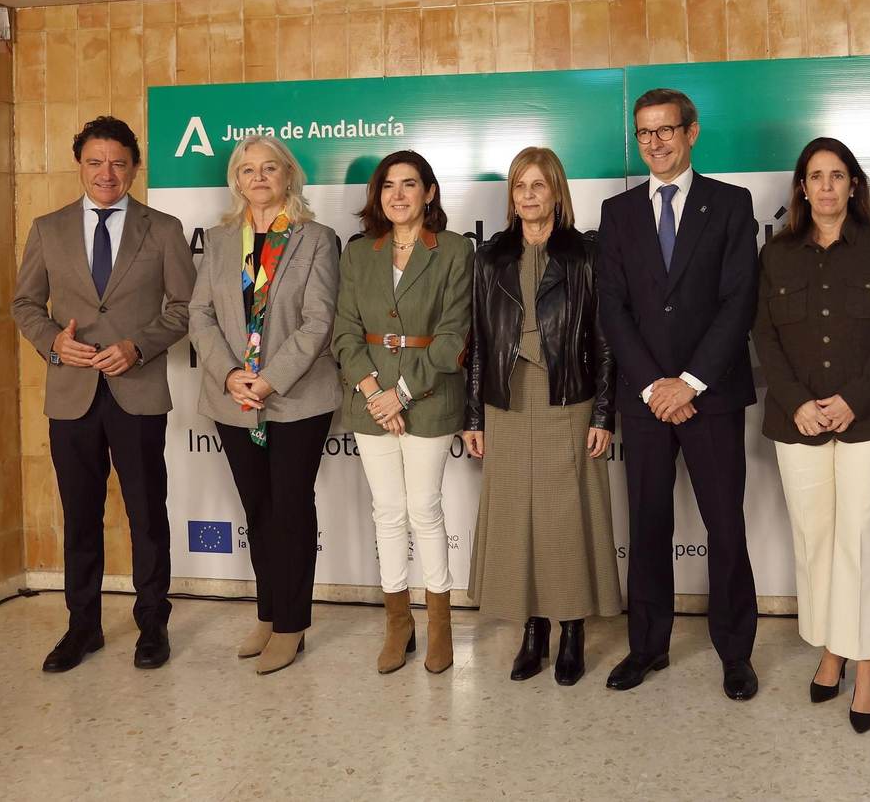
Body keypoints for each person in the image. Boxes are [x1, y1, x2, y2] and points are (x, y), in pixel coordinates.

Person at [12, 115, 197, 673]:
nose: (107, 173)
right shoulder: (48, 228)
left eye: (118, 162)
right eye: (96, 162)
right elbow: (25, 306)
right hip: (71, 395)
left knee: (146, 514)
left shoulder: (162, 228)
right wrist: (53, 345)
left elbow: (185, 309)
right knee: (81, 515)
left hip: (136, 390)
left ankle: (152, 626)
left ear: (134, 167)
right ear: (80, 165)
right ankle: (83, 628)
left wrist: (139, 347)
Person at [597, 88, 761, 700]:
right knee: (647, 524)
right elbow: (613, 308)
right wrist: (652, 385)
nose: (656, 142)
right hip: (645, 401)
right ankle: (648, 646)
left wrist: (688, 381)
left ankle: (735, 653)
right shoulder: (618, 213)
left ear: (691, 133)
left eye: (666, 130)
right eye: (644, 133)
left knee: (725, 526)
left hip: (709, 395)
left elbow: (739, 299)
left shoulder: (730, 204)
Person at [751, 138, 870, 734]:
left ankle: (866, 664)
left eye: (837, 176)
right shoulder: (778, 253)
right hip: (798, 422)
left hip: (869, 418)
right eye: (815, 176)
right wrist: (798, 403)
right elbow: (764, 336)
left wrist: (851, 400)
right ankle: (833, 647)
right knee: (816, 539)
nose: (825, 187)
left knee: (862, 540)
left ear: (854, 185)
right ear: (801, 187)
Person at [462, 147, 622, 687]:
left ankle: (572, 631)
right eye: (519, 186)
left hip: (568, 399)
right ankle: (533, 632)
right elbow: (480, 344)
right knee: (517, 518)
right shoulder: (489, 259)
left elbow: (606, 341)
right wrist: (474, 416)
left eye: (538, 185)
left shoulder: (585, 256)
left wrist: (603, 411)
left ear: (556, 190)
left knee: (567, 518)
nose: (528, 195)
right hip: (506, 401)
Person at [188, 135, 341, 675]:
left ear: (288, 176)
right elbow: (199, 314)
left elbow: (320, 321)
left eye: (269, 167)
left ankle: (293, 624)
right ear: (236, 180)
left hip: (296, 398)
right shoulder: (221, 239)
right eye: (247, 169)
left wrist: (269, 380)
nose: (258, 177)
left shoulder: (316, 239)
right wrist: (231, 374)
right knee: (258, 508)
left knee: (291, 508)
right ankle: (268, 612)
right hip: (233, 399)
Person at [333, 150, 472, 676]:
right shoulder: (358, 254)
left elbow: (455, 336)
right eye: (388, 185)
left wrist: (402, 393)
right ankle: (398, 624)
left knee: (425, 511)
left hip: (428, 400)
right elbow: (345, 333)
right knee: (387, 512)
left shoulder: (456, 251)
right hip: (370, 400)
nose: (397, 194)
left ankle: (440, 624)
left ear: (429, 193)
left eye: (409, 184)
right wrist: (375, 392)